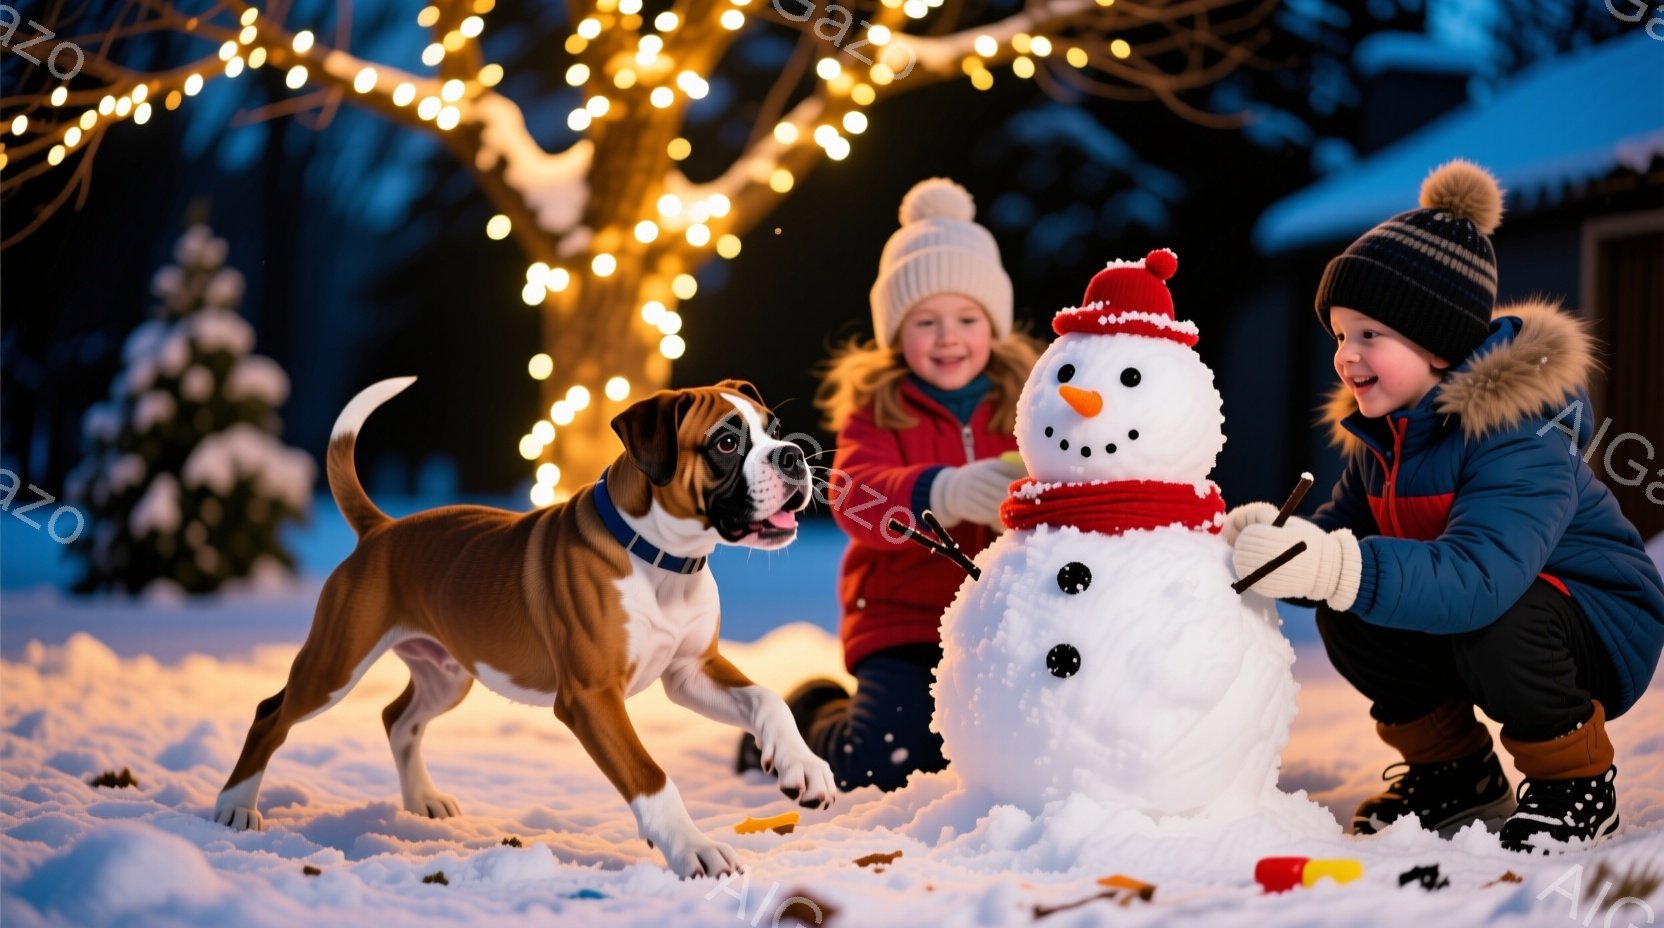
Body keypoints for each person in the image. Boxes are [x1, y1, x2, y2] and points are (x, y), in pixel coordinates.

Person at [1226, 159, 1664, 854]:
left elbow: (1481, 578)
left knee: (1482, 612)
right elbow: (1344, 533)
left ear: (1438, 345)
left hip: (1597, 621)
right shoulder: (1386, 436)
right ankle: (1456, 776)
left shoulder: (1520, 431)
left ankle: (1575, 785)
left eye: (1370, 335)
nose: (1346, 356)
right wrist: (1282, 542)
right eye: (1340, 335)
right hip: (1488, 611)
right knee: (1351, 604)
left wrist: (1335, 566)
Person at [737, 177, 1042, 791]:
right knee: (887, 764)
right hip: (904, 622)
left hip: (1011, 623)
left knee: (1018, 751)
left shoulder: (1034, 404)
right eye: (925, 320)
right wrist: (944, 492)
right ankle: (811, 715)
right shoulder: (879, 408)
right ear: (897, 332)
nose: (948, 336)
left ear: (995, 324)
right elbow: (854, 497)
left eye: (967, 317)